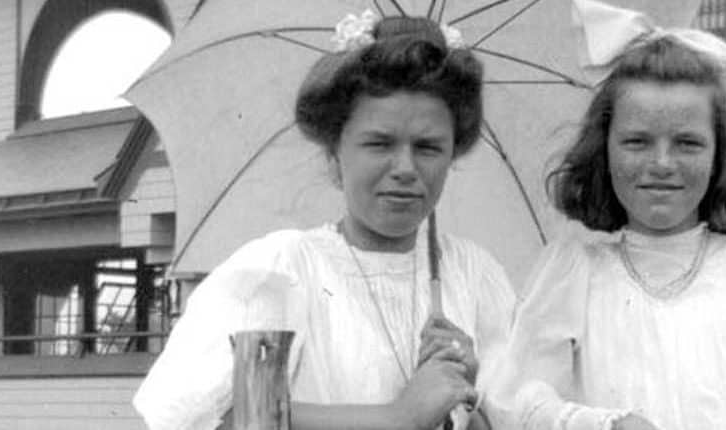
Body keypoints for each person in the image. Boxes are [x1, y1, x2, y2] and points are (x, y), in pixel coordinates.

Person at [493, 1, 726, 429]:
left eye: (687, 143)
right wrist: (600, 424)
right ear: (603, 150)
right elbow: (514, 405)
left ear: (718, 155)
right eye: (637, 142)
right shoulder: (574, 275)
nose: (662, 163)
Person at [133, 11, 516, 430]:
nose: (406, 167)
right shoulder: (283, 271)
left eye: (428, 147)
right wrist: (396, 417)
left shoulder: (473, 276)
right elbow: (235, 418)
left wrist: (467, 399)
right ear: (335, 156)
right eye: (379, 143)